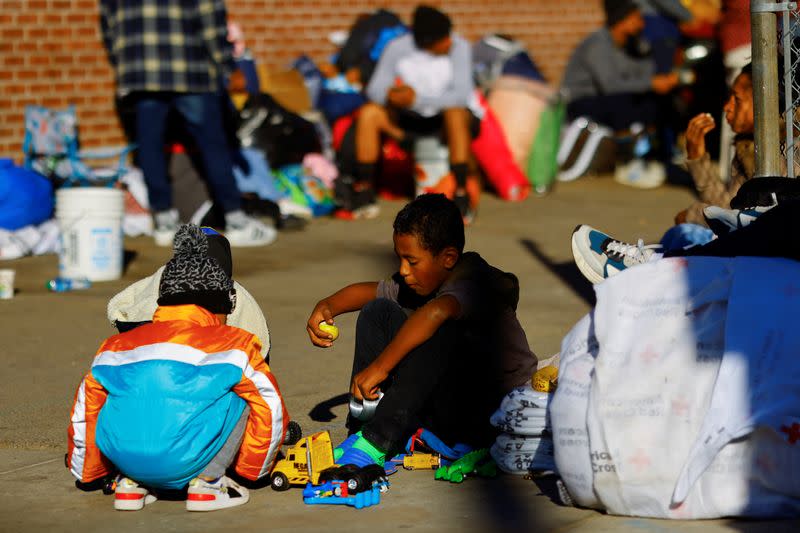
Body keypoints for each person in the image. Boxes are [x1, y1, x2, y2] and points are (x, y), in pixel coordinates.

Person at [305, 193, 537, 467]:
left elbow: (436, 313)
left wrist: (381, 367)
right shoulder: (424, 279)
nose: (403, 270)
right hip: (448, 402)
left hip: (494, 409)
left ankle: (379, 439)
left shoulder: (473, 280)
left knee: (437, 330)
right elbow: (371, 292)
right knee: (377, 312)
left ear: (448, 258)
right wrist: (327, 305)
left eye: (411, 261)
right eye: (399, 259)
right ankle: (363, 428)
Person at [67, 224, 287, 511]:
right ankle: (208, 484)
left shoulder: (114, 347)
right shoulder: (235, 345)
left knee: (119, 395)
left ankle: (132, 485)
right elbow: (271, 407)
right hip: (189, 460)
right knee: (247, 394)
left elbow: (85, 410)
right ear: (219, 303)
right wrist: (253, 472)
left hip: (126, 462)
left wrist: (91, 473)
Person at [99, 0, 275, 247]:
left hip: (142, 71)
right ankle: (235, 219)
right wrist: (228, 66)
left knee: (150, 145)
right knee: (212, 144)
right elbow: (211, 19)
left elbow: (108, 23)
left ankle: (163, 220)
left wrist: (124, 63)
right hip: (190, 71)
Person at [341, 5, 476, 222]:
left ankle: (460, 192)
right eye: (443, 38)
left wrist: (418, 100)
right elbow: (375, 89)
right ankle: (364, 189)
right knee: (369, 113)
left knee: (456, 113)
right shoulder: (398, 48)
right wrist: (392, 96)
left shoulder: (460, 48)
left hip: (444, 123)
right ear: (426, 42)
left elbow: (462, 95)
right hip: (407, 122)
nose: (449, 41)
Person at [107, 226, 271, 360]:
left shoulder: (158, 281)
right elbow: (259, 348)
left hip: (153, 368)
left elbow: (120, 309)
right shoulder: (237, 295)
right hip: (210, 375)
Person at [561, 0, 679, 131]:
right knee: (630, 106)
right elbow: (610, 85)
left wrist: (662, 80)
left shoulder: (627, 44)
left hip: (609, 100)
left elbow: (637, 70)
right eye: (637, 18)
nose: (642, 24)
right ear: (623, 20)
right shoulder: (598, 44)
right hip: (582, 102)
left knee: (657, 102)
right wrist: (651, 83)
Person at [678, 63, 754, 226]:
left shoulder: (786, 152)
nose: (727, 107)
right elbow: (727, 205)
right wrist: (697, 157)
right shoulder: (746, 143)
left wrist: (693, 215)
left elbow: (737, 219)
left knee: (685, 231)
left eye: (737, 99)